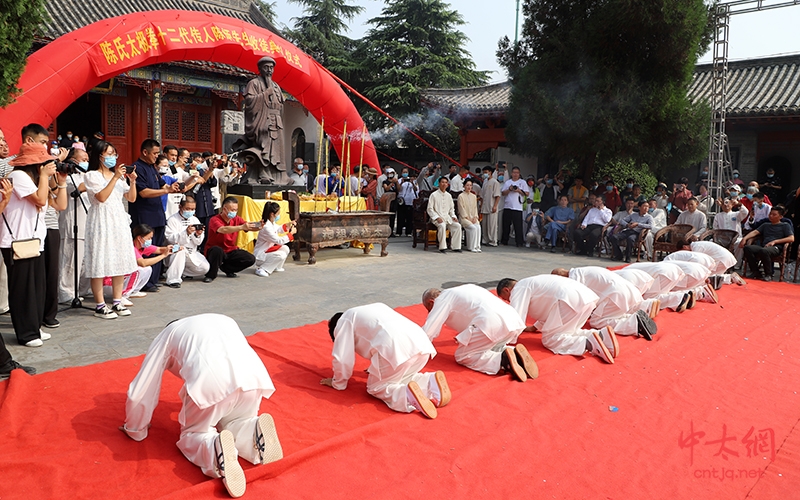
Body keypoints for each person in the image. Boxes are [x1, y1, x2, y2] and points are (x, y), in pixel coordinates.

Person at [121, 314, 283, 498]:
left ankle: (214, 447)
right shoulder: (223, 319)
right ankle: (253, 429)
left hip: (212, 382)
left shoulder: (168, 334)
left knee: (194, 433)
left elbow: (142, 387)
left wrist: (135, 428)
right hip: (254, 377)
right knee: (237, 418)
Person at [322, 303, 451, 419]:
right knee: (404, 376)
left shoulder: (344, 321)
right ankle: (430, 382)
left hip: (395, 348)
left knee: (376, 387)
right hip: (422, 344)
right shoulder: (375, 307)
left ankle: (406, 395)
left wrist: (338, 382)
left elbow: (343, 358)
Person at [0, 141, 64, 347]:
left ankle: (35, 327)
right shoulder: (18, 176)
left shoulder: (33, 179)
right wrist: (45, 177)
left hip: (33, 240)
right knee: (23, 289)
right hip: (16, 241)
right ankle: (26, 333)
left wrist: (58, 181)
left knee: (37, 286)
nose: (49, 165)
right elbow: (39, 199)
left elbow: (58, 205)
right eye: (45, 162)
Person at [421, 285, 536, 381]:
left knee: (463, 356)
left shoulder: (442, 299)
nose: (430, 312)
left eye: (429, 309)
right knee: (489, 347)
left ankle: (503, 360)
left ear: (431, 302)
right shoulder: (467, 288)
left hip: (492, 323)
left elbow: (430, 329)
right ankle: (513, 353)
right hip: (514, 321)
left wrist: (417, 349)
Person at [497, 276, 617, 364]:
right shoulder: (531, 283)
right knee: (569, 331)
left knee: (550, 339)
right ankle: (600, 335)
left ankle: (589, 343)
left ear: (507, 290)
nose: (508, 301)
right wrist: (535, 327)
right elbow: (547, 308)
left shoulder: (519, 287)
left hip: (568, 299)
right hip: (586, 298)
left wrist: (505, 341)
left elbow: (516, 315)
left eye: (506, 298)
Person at [83, 140, 139, 319]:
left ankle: (117, 300)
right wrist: (115, 177)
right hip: (101, 220)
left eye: (114, 154)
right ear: (100, 156)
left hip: (118, 220)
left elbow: (131, 198)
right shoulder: (92, 175)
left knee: (119, 260)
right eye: (109, 154)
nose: (113, 157)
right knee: (99, 260)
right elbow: (101, 197)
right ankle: (100, 305)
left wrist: (132, 182)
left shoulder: (119, 177)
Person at [129, 139, 181, 293]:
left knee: (157, 247)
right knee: (145, 248)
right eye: (155, 153)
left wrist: (172, 188)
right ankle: (142, 282)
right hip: (144, 216)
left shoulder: (153, 168)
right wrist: (166, 191)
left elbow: (162, 185)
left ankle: (153, 279)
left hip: (158, 214)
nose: (157, 156)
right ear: (145, 152)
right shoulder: (137, 168)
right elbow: (143, 192)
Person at [551, 266, 658, 341]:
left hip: (616, 294)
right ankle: (640, 311)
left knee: (597, 321)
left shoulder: (574, 280)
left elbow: (579, 303)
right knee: (612, 314)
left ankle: (633, 324)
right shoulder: (582, 271)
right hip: (630, 291)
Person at [240, 56, 286, 182]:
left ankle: (279, 176)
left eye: (271, 68)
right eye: (266, 67)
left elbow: (281, 103)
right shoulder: (254, 83)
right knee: (263, 146)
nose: (269, 70)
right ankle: (262, 173)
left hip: (276, 121)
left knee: (277, 149)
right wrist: (266, 94)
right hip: (262, 120)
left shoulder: (276, 85)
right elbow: (249, 101)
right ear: (260, 68)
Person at [204, 197, 259, 282]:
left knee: (250, 259)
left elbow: (248, 226)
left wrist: (260, 225)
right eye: (232, 210)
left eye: (235, 210)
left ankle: (228, 269)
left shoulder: (237, 219)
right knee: (217, 250)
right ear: (224, 209)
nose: (234, 212)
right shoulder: (214, 219)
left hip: (230, 249)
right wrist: (241, 227)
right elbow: (223, 229)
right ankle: (210, 275)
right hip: (215, 249)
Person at [164, 196, 210, 287]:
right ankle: (173, 279)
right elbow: (170, 238)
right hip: (175, 251)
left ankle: (181, 271)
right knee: (179, 250)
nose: (190, 211)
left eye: (192, 209)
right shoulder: (172, 220)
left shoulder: (195, 219)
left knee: (205, 268)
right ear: (180, 207)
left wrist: (198, 234)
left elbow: (198, 243)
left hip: (191, 252)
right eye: (187, 209)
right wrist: (186, 233)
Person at [740, 205, 794, 281]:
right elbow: (755, 232)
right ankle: (756, 272)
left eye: (774, 215)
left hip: (776, 248)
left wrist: (775, 241)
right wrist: (745, 238)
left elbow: (791, 238)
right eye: (770, 214)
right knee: (748, 248)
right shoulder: (765, 225)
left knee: (764, 251)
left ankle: (769, 274)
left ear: (780, 217)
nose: (771, 216)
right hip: (764, 246)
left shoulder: (785, 226)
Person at [253, 201, 294, 277]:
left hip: (267, 251)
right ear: (272, 214)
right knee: (280, 255)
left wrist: (288, 225)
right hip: (260, 255)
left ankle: (276, 266)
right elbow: (278, 241)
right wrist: (291, 234)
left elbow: (278, 228)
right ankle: (262, 269)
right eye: (278, 213)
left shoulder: (271, 223)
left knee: (285, 248)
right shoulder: (266, 227)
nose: (279, 215)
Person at [427, 176, 462, 253]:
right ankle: (442, 247)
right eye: (442, 182)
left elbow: (451, 209)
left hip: (447, 217)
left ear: (447, 184)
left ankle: (456, 247)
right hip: (437, 218)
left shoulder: (449, 195)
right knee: (442, 225)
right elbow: (430, 209)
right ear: (439, 183)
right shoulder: (434, 195)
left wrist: (453, 216)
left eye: (446, 183)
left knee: (457, 226)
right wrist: (436, 217)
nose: (444, 184)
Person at [713, 196, 749, 267]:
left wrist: (739, 204)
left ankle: (736, 264)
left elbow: (745, 212)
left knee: (739, 242)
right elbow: (715, 228)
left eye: (728, 203)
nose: (726, 205)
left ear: (732, 205)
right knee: (711, 242)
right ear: (721, 205)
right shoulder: (718, 215)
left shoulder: (736, 214)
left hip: (735, 238)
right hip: (721, 238)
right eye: (724, 204)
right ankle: (718, 264)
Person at [500, 166, 529, 247]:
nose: (515, 174)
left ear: (519, 174)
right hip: (507, 206)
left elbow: (527, 193)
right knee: (506, 225)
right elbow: (503, 193)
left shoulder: (522, 182)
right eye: (514, 173)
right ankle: (504, 241)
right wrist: (509, 189)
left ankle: (519, 242)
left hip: (518, 207)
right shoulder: (508, 182)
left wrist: (519, 190)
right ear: (511, 173)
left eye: (517, 173)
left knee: (518, 226)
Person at [457, 178, 482, 252]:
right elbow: (461, 209)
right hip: (464, 218)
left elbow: (475, 208)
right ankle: (471, 246)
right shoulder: (461, 196)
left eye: (470, 185)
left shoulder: (473, 196)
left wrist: (475, 217)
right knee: (473, 228)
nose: (469, 187)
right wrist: (468, 218)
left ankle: (477, 246)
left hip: (473, 218)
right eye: (467, 185)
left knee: (478, 227)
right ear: (464, 186)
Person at [480, 166, 501, 247]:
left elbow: (497, 195)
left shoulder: (495, 182)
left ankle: (493, 241)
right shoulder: (485, 182)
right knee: (485, 224)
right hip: (485, 206)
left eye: (486, 172)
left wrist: (495, 206)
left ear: (490, 172)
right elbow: (482, 195)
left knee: (492, 225)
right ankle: (485, 240)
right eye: (484, 172)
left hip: (492, 206)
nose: (485, 174)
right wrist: (481, 206)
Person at [396, 167, 417, 236]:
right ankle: (399, 232)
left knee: (409, 217)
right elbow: (398, 189)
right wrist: (401, 182)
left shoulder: (411, 181)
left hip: (409, 200)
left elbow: (415, 189)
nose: (405, 173)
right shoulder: (399, 180)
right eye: (404, 172)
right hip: (402, 200)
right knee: (400, 216)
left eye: (406, 172)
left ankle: (408, 231)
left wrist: (412, 182)